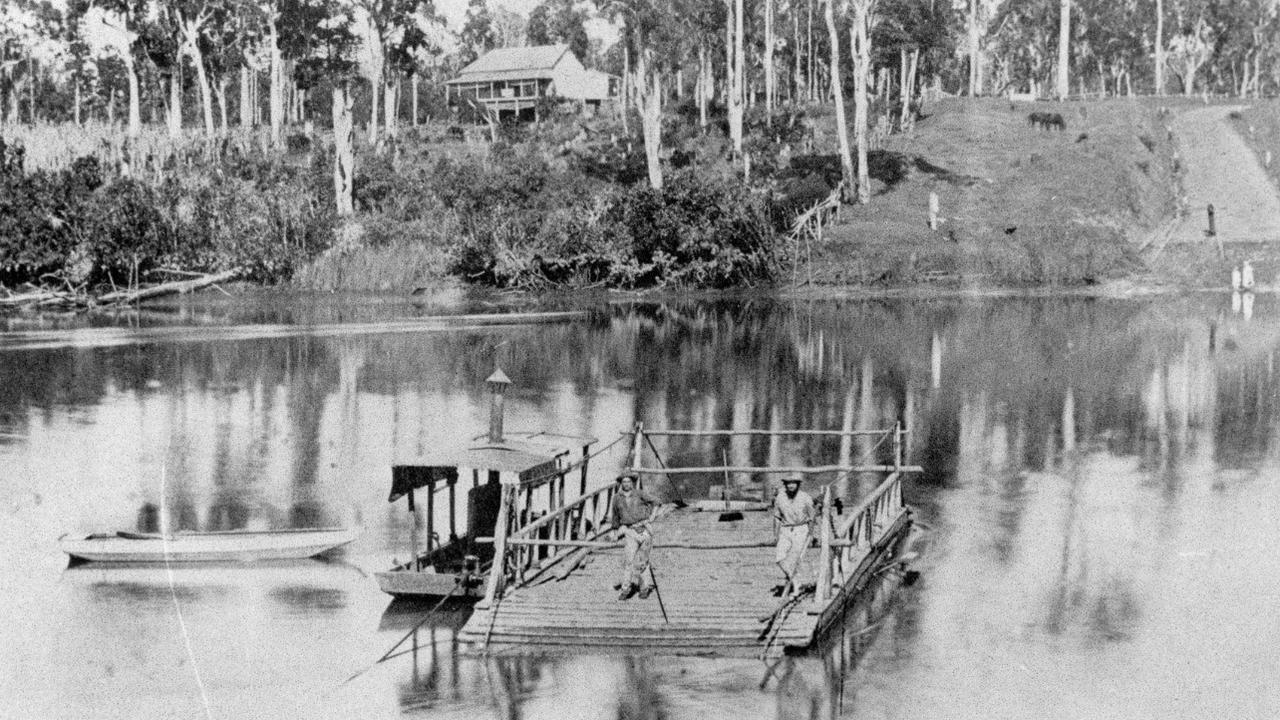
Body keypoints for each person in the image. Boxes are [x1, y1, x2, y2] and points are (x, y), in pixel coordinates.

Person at [609, 474, 662, 601]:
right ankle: (625, 588)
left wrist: (652, 516)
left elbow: (657, 502)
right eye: (624, 482)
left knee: (642, 561)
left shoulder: (640, 494)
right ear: (621, 483)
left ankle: (644, 588)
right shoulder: (617, 498)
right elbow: (615, 517)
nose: (626, 484)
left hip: (644, 530)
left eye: (629, 481)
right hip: (630, 531)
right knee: (629, 561)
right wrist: (615, 534)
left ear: (632, 483)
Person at [772, 477, 816, 594]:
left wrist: (811, 534)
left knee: (795, 558)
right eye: (788, 483)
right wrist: (775, 534)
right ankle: (797, 581)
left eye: (793, 483)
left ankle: (797, 585)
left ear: (798, 484)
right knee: (779, 558)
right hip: (785, 529)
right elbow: (777, 517)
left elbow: (812, 517)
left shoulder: (805, 497)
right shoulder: (780, 498)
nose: (791, 486)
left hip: (801, 529)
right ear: (785, 485)